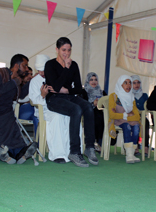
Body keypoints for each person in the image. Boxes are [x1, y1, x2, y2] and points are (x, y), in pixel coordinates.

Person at [44, 37, 98, 168]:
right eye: (63, 50)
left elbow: (79, 88)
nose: (66, 53)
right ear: (57, 50)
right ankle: (74, 151)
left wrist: (66, 91)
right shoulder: (50, 65)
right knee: (76, 109)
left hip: (68, 96)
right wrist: (66, 69)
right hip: (53, 99)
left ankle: (90, 147)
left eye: (69, 50)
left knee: (88, 107)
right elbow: (55, 87)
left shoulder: (74, 65)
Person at [29, 54, 83, 163]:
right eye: (39, 70)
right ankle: (58, 155)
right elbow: (33, 101)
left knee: (72, 116)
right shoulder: (34, 82)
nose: (41, 73)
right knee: (57, 117)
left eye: (43, 70)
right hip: (45, 110)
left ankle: (73, 152)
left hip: (61, 105)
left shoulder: (58, 76)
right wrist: (43, 95)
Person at [109, 75, 141, 164]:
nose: (128, 85)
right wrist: (126, 115)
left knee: (136, 126)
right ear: (120, 84)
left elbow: (137, 116)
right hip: (118, 121)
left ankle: (132, 152)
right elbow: (112, 115)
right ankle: (129, 155)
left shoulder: (131, 97)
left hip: (128, 120)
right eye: (125, 83)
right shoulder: (114, 96)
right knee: (127, 126)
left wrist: (124, 116)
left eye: (130, 83)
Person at [82, 72, 107, 152]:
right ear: (87, 81)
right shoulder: (84, 92)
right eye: (91, 80)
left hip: (102, 115)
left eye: (95, 80)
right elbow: (82, 104)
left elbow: (109, 104)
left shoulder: (102, 92)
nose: (94, 82)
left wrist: (102, 104)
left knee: (100, 114)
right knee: (97, 113)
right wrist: (93, 104)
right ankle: (97, 142)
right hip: (88, 115)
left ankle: (99, 141)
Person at [131, 75, 150, 156]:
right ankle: (135, 147)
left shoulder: (144, 95)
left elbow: (148, 107)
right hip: (131, 117)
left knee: (146, 123)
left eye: (138, 82)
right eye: (134, 83)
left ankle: (145, 147)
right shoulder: (128, 95)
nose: (136, 85)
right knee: (134, 124)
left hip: (142, 117)